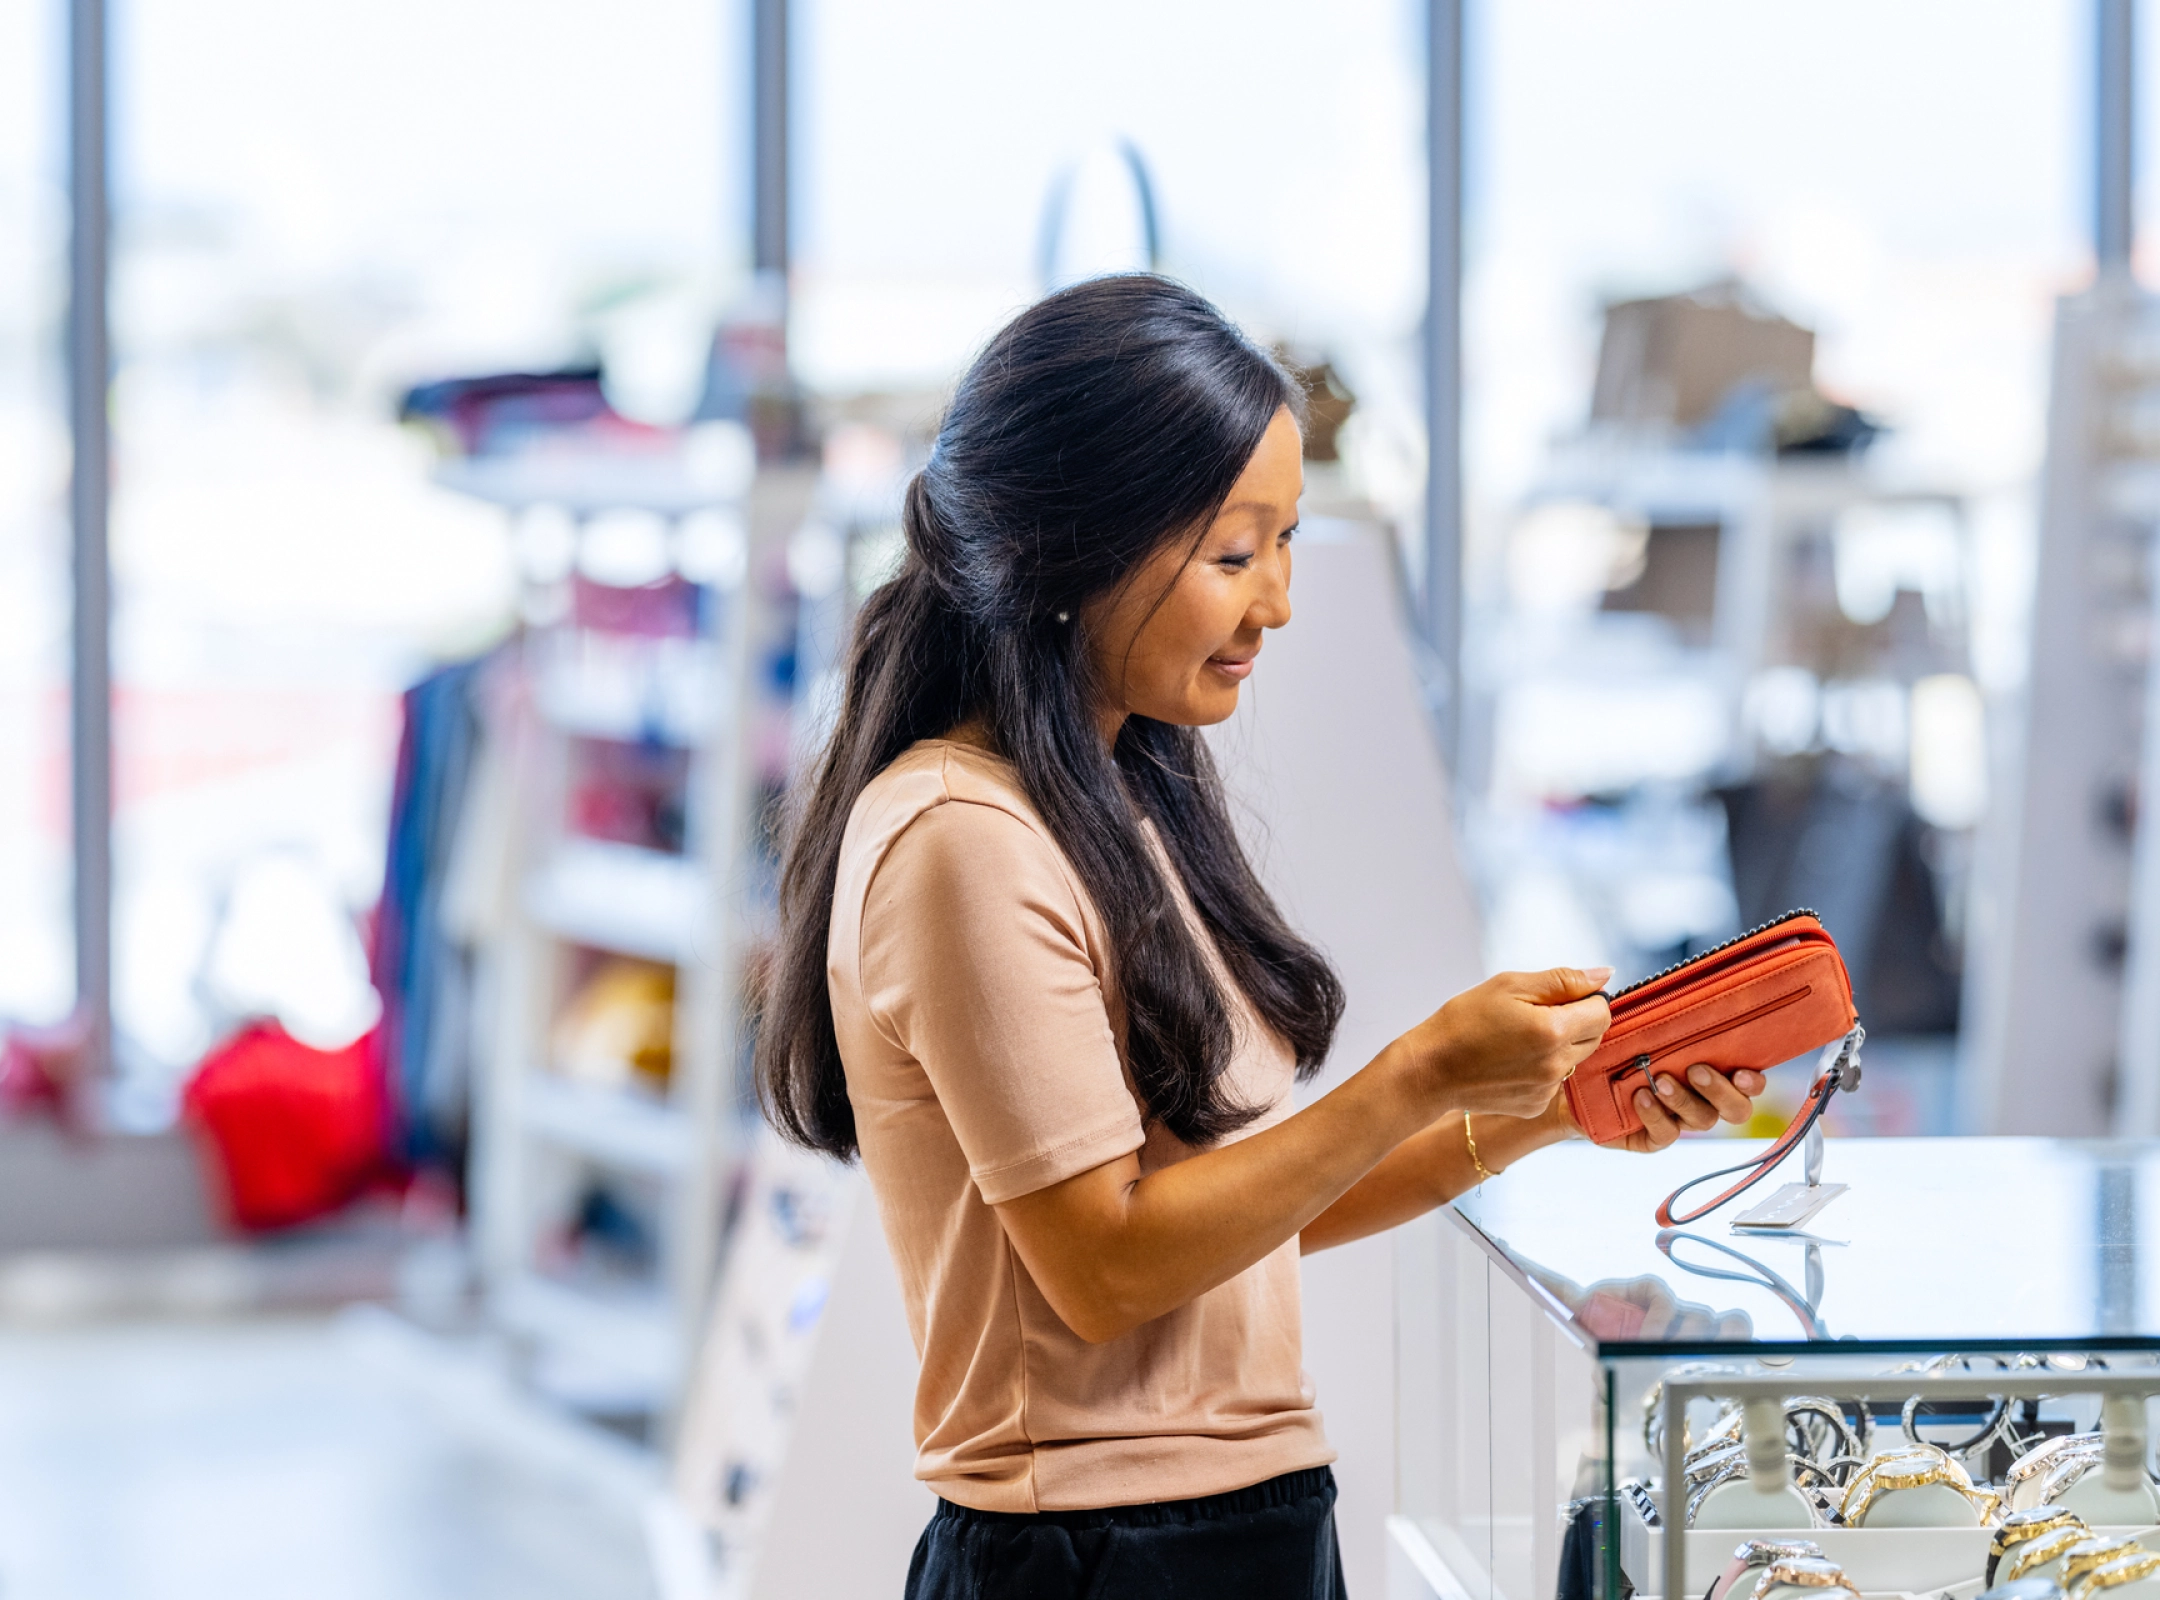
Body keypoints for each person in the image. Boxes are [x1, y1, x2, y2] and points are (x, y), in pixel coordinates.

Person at [754, 275, 1763, 1600]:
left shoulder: (1114, 796)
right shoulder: (960, 837)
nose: (1276, 602)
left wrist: (1554, 1110)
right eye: (1235, 555)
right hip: (1094, 1556)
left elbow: (1248, 1211)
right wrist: (1419, 1071)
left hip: (1246, 1525)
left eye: (1284, 542)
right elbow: (1108, 1267)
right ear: (1076, 547)